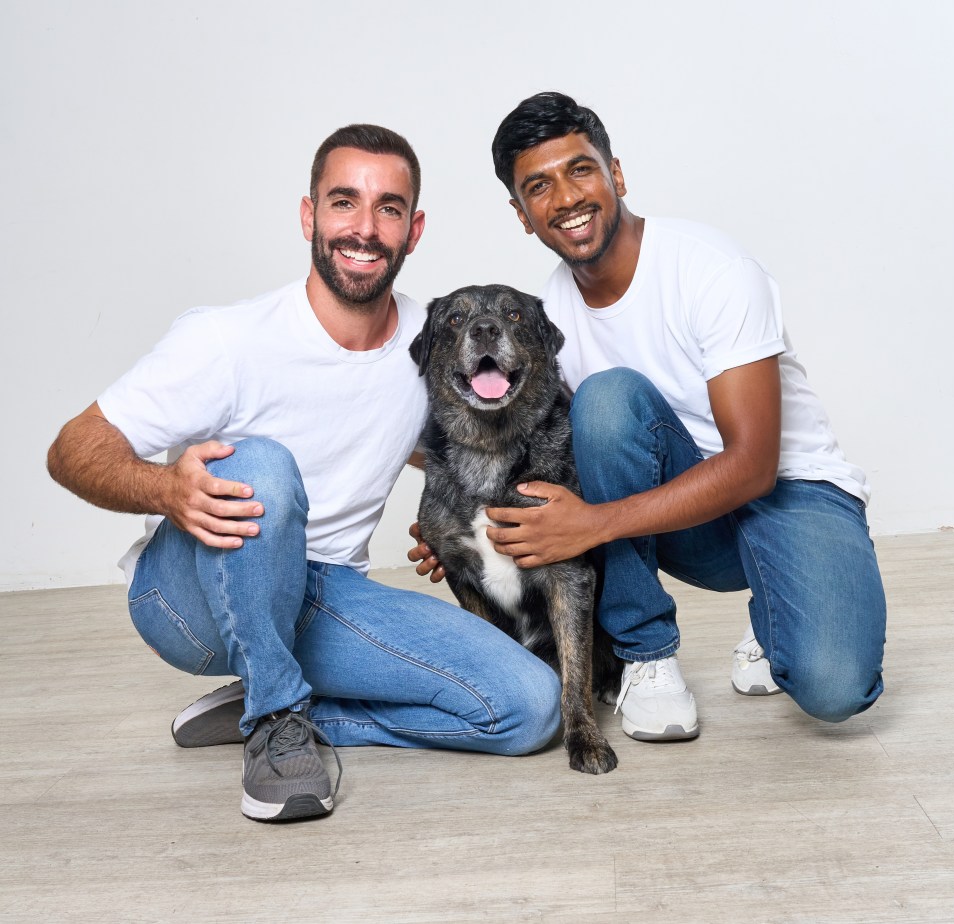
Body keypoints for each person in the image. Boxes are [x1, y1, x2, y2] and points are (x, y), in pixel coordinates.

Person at [47, 124, 561, 823]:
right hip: (190, 597)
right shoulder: (227, 340)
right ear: (308, 215)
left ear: (414, 230)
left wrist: (455, 529)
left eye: (388, 209)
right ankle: (277, 721)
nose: (364, 228)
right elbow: (72, 449)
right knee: (261, 464)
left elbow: (452, 448)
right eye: (344, 202)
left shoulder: (433, 344)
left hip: (329, 594)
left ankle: (281, 696)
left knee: (532, 709)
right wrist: (167, 489)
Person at [417, 92, 886, 743]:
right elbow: (551, 450)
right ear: (522, 214)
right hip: (682, 514)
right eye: (539, 186)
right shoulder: (546, 313)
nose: (566, 197)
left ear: (617, 173)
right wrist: (462, 528)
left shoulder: (712, 270)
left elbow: (752, 466)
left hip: (790, 490)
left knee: (836, 690)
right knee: (601, 413)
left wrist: (594, 523)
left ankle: (780, 604)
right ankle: (648, 657)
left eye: (581, 170)